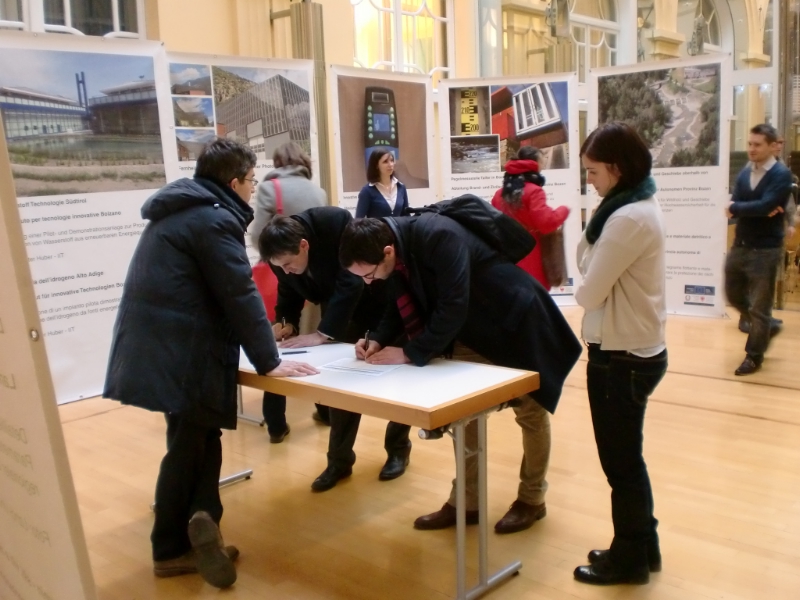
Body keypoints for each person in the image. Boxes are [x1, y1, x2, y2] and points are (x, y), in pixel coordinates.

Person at [103, 138, 318, 589]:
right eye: (251, 180)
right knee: (188, 446)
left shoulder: (179, 211)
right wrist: (268, 361)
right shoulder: (215, 220)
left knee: (196, 437)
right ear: (235, 182)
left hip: (163, 345)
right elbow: (238, 292)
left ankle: (202, 523)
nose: (253, 188)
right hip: (184, 351)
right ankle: (171, 546)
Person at [338, 212, 581, 534]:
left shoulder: (438, 236)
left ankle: (532, 498)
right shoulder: (394, 245)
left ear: (387, 252)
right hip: (473, 327)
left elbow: (452, 304)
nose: (369, 282)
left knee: (531, 412)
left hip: (515, 320)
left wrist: (409, 352)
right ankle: (467, 501)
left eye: (369, 274)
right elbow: (399, 302)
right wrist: (378, 339)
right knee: (464, 412)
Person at [572, 122, 668, 585]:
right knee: (628, 460)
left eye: (593, 172)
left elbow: (587, 293)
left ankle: (629, 558)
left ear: (617, 168)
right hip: (631, 350)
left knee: (621, 465)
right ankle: (643, 545)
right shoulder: (632, 206)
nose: (589, 181)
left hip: (621, 357)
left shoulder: (626, 218)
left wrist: (588, 257)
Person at [259, 208, 413, 492]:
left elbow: (350, 281)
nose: (285, 270)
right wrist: (287, 321)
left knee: (396, 377)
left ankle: (398, 449)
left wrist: (322, 333)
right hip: (342, 313)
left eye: (289, 263)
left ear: (303, 245)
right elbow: (287, 287)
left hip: (381, 300)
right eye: (279, 266)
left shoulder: (332, 223)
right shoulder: (281, 254)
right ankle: (339, 461)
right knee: (344, 385)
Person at [249, 141, 329, 442]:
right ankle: (326, 409)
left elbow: (258, 235)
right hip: (315, 277)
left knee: (283, 343)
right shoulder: (317, 190)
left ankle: (276, 423)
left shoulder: (270, 189)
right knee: (315, 345)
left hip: (285, 274)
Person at [725, 123, 793, 375]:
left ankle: (754, 355)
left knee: (759, 307)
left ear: (772, 146)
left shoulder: (781, 175)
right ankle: (767, 325)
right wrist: (754, 208)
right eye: (750, 144)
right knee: (733, 294)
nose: (751, 149)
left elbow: (760, 205)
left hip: (766, 250)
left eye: (757, 145)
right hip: (741, 244)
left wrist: (740, 208)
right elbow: (744, 202)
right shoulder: (745, 173)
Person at [491, 145, 570, 289]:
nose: (543, 166)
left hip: (506, 256)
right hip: (530, 255)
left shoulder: (499, 194)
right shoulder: (534, 191)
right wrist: (563, 210)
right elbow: (546, 223)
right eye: (542, 162)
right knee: (532, 295)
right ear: (535, 164)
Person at [356, 149, 409, 218]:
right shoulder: (367, 191)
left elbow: (406, 216)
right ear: (376, 165)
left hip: (398, 225)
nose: (390, 164)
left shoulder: (401, 187)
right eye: (385, 162)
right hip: (377, 225)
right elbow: (358, 220)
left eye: (392, 160)